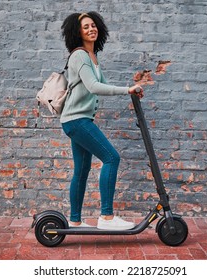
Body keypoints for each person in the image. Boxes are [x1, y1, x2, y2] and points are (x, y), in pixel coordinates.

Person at [60, 12, 143, 230]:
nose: (91, 29)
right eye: (86, 27)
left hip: (77, 120)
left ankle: (75, 220)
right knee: (111, 158)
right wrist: (126, 90)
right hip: (77, 120)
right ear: (77, 32)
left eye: (94, 25)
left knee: (82, 170)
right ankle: (106, 217)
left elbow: (103, 84)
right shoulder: (79, 56)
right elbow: (94, 87)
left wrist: (130, 90)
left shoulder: (92, 56)